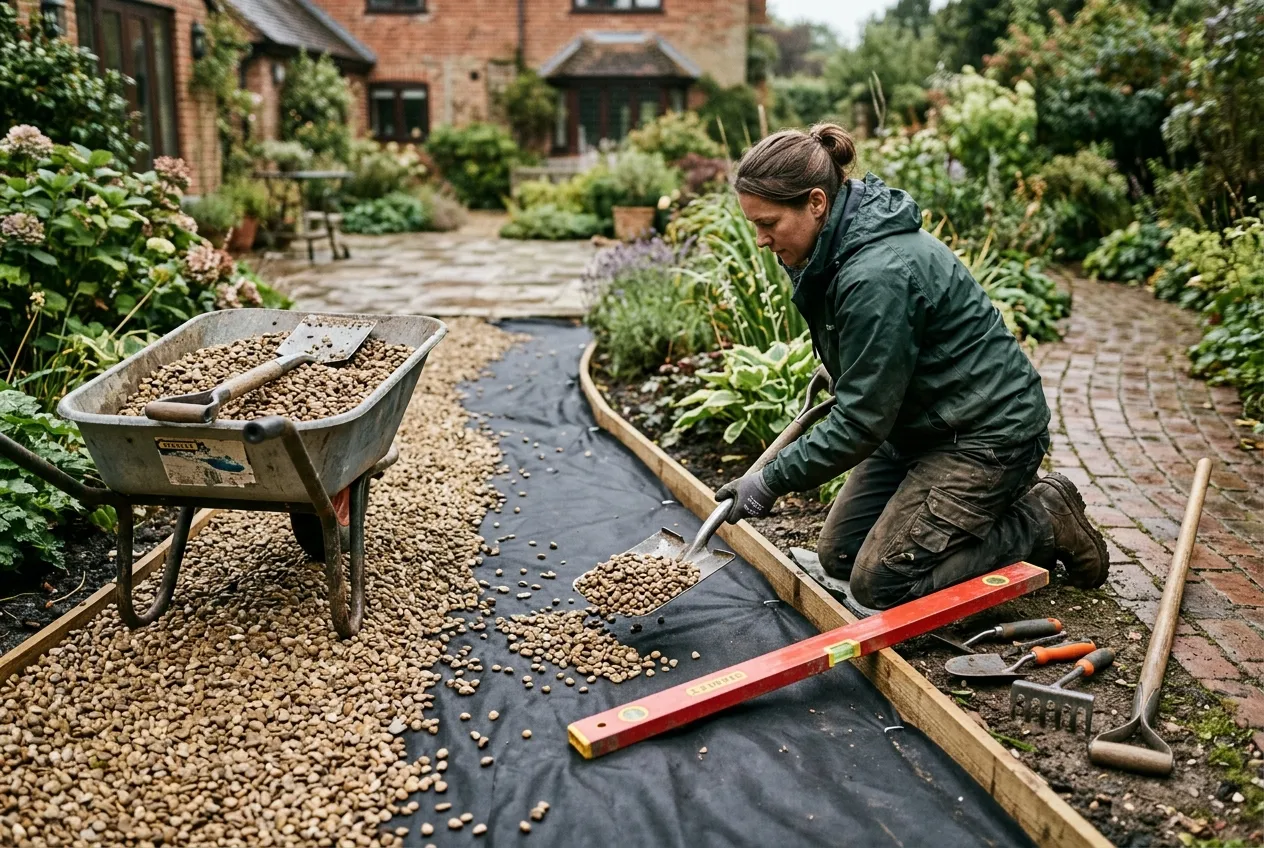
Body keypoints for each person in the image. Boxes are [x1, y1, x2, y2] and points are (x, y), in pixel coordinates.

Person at [714, 123, 1109, 610]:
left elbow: (861, 422)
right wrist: (848, 367)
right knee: (841, 557)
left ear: (816, 202)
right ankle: (972, 513)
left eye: (768, 223)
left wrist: (769, 480)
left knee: (883, 585)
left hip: (986, 435)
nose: (760, 240)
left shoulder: (877, 272)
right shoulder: (836, 240)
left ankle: (1042, 520)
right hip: (922, 425)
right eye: (755, 225)